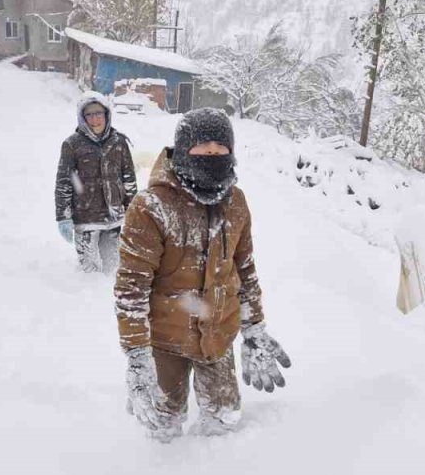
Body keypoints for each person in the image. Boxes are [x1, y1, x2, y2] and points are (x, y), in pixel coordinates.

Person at [114, 108, 293, 440]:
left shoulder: (235, 202)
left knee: (225, 423)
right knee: (162, 425)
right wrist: (138, 357)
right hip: (165, 341)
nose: (212, 154)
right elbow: (131, 290)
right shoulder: (151, 206)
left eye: (220, 148)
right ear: (183, 150)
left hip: (218, 336)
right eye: (202, 147)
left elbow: (245, 269)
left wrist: (253, 328)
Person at [54, 93, 137, 273]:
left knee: (113, 271)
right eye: (89, 114)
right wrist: (63, 217)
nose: (95, 119)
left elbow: (129, 179)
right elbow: (64, 183)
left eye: (98, 113)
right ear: (82, 118)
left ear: (106, 114)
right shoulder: (72, 145)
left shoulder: (119, 142)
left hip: (113, 218)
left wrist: (133, 211)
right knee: (89, 274)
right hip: (86, 220)